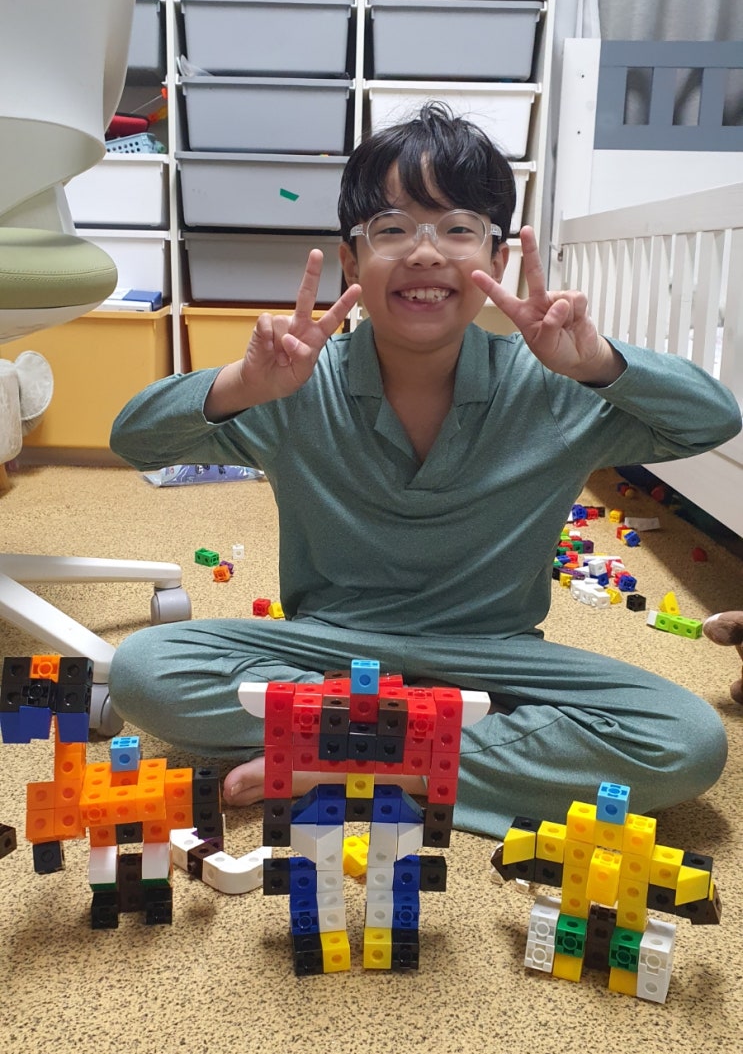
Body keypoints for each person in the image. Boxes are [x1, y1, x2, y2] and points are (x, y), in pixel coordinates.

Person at [108, 103, 742, 839]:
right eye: (392, 228)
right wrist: (241, 386)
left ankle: (343, 756)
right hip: (329, 649)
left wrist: (599, 363)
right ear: (351, 260)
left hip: (495, 659)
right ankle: (415, 753)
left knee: (685, 739)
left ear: (496, 261)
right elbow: (135, 440)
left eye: (458, 228)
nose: (424, 252)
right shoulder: (296, 384)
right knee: (145, 668)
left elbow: (713, 420)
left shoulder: (552, 386)